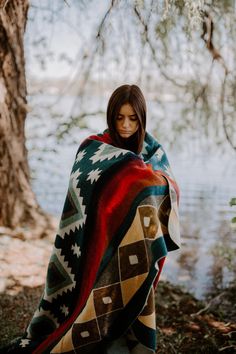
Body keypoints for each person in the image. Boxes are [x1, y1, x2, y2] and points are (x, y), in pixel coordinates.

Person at [2, 84, 180, 353]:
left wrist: (139, 181)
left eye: (133, 118)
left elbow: (166, 185)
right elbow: (81, 187)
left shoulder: (153, 152)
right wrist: (132, 176)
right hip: (93, 240)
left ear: (142, 119)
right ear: (111, 116)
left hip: (134, 241)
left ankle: (127, 334)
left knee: (135, 279)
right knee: (92, 294)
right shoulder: (93, 148)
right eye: (119, 117)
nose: (126, 125)